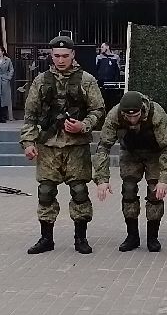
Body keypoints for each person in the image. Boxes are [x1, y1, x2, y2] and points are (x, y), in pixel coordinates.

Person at [18, 35, 107, 255]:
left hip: (76, 146)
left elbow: (99, 111)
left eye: (65, 56)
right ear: (51, 55)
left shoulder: (86, 80)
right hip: (48, 146)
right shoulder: (41, 81)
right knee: (46, 191)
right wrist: (28, 142)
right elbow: (30, 115)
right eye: (56, 56)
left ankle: (81, 238)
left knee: (79, 191)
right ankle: (46, 238)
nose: (60, 60)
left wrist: (83, 126)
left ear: (73, 55)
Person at [94, 91, 167, 253]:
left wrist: (164, 179)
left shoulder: (156, 113)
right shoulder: (114, 115)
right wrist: (102, 179)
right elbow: (103, 146)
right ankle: (132, 236)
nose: (132, 120)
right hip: (130, 153)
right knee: (129, 190)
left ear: (142, 110)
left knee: (155, 192)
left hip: (155, 154)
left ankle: (152, 237)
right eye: (128, 116)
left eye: (136, 115)